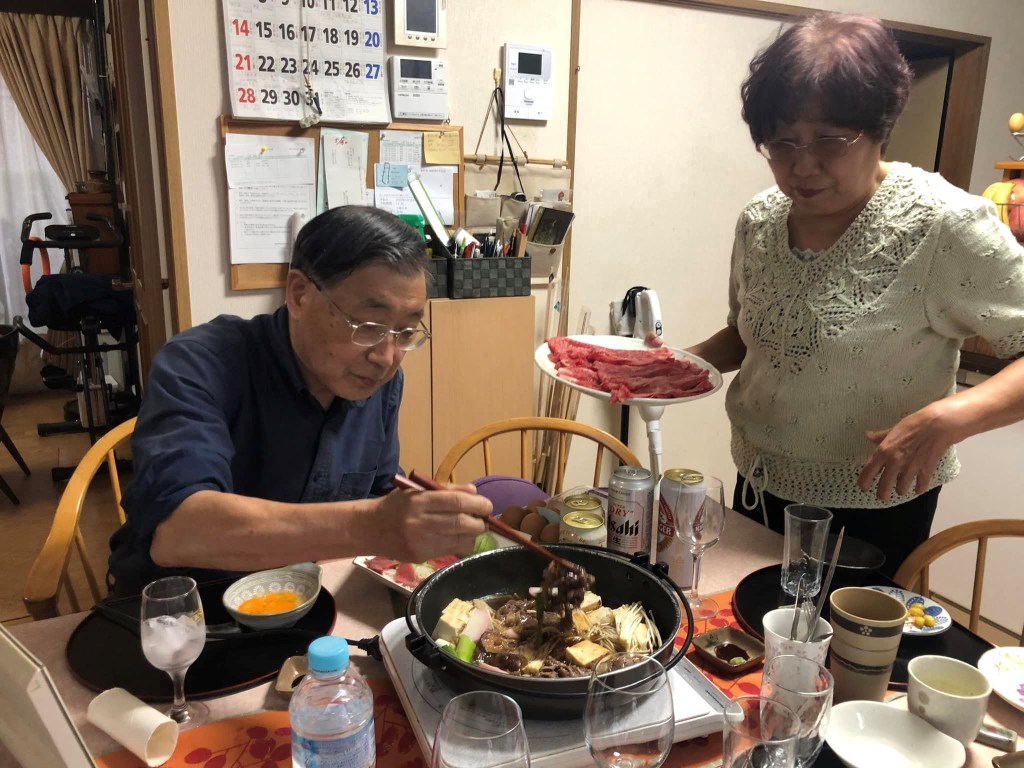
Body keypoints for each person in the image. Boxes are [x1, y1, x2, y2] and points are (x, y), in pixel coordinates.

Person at [674, 13, 1024, 576]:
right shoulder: (760, 220)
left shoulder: (945, 225)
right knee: (743, 625)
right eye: (781, 143)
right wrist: (671, 366)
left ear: (880, 127)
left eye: (829, 141)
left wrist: (951, 417)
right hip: (758, 485)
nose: (802, 166)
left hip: (875, 502)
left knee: (836, 635)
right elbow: (751, 336)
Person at [108, 206, 492, 595]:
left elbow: (378, 492)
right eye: (369, 326)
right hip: (182, 611)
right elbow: (179, 531)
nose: (386, 357)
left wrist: (420, 520)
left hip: (306, 601)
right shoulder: (201, 361)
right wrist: (373, 525)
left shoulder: (380, 383)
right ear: (299, 294)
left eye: (406, 332)